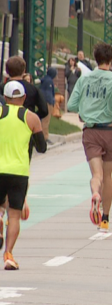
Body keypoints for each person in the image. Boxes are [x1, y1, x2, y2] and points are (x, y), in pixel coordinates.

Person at [67, 43, 112, 232]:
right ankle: (105, 218)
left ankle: (95, 193)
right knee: (108, 175)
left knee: (96, 175)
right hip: (110, 131)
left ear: (95, 59)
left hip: (91, 131)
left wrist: (86, 109)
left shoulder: (84, 79)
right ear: (111, 60)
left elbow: (71, 105)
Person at [0, 82, 46, 270]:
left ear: (4, 97)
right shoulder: (31, 118)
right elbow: (42, 147)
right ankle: (9, 254)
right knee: (15, 215)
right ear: (24, 98)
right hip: (19, 172)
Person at [39, 67, 57, 143]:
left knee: (43, 120)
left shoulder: (45, 80)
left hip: (42, 102)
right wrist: (51, 102)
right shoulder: (49, 81)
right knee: (46, 120)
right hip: (47, 103)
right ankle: (44, 137)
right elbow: (48, 93)